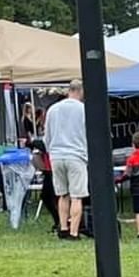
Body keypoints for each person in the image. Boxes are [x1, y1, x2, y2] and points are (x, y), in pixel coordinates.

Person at [44, 81, 89, 241]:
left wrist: (51, 151)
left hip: (56, 155)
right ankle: (74, 232)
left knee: (63, 194)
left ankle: (63, 228)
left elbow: (47, 136)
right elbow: (88, 133)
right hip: (76, 154)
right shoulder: (83, 110)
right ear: (81, 91)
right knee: (77, 195)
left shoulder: (53, 109)